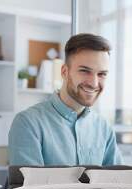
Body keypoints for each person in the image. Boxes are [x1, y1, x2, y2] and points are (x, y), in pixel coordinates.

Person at [8, 33, 123, 166]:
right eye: (85, 71)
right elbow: (30, 186)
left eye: (102, 74)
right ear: (64, 72)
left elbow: (117, 183)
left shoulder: (104, 128)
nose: (94, 83)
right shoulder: (28, 124)